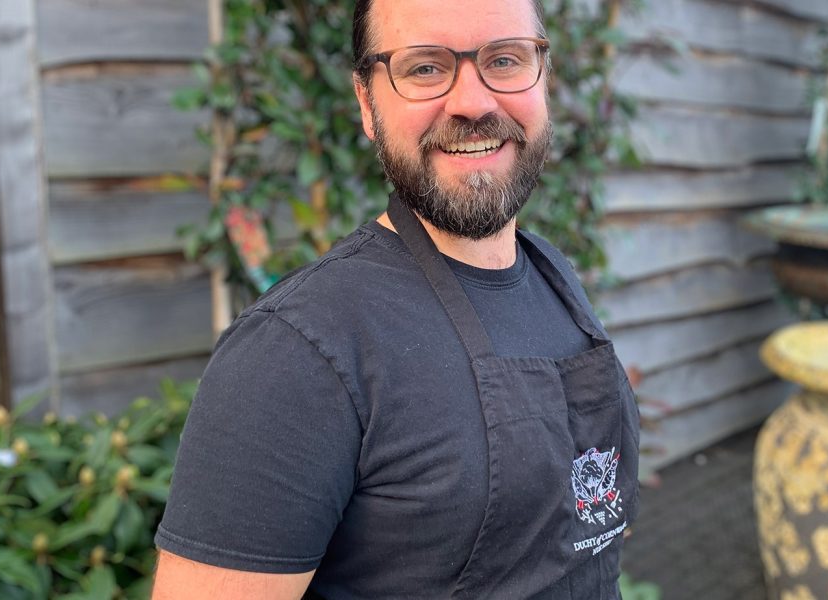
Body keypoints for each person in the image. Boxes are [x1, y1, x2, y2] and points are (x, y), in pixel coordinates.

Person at [151, 0, 639, 597]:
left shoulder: (554, 279)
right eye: (425, 68)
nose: (474, 102)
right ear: (366, 102)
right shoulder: (296, 352)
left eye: (505, 59)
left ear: (543, 77)